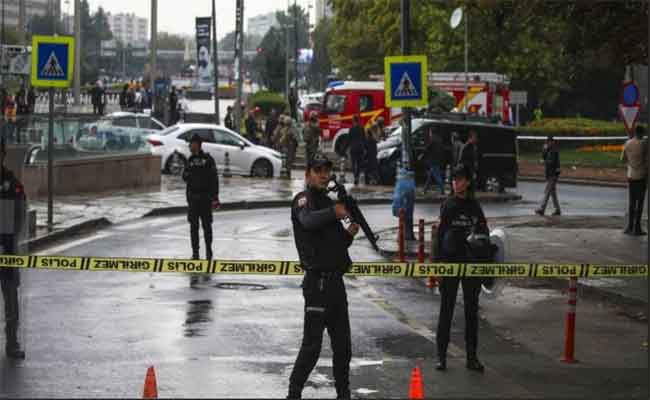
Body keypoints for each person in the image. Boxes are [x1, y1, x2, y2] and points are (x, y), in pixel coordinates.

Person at [287, 152, 359, 399]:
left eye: (326, 171)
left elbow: (337, 245)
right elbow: (307, 222)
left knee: (343, 347)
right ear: (308, 174)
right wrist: (335, 213)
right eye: (318, 171)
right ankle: (293, 393)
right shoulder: (302, 200)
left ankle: (344, 394)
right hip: (316, 285)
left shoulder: (330, 203)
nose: (323, 175)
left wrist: (349, 233)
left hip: (336, 285)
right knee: (312, 348)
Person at [435, 165, 492, 373]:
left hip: (471, 265)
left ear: (467, 182)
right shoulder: (448, 205)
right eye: (454, 180)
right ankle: (441, 357)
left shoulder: (475, 206)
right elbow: (439, 236)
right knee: (446, 311)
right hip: (450, 264)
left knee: (471, 312)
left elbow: (485, 233)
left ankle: (472, 357)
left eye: (460, 179)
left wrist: (480, 245)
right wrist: (437, 265)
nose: (456, 183)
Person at [0, 142, 26, 359]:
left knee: (10, 297)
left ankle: (12, 341)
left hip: (7, 248)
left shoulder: (12, 183)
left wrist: (14, 240)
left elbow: (21, 214)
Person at [182, 134, 220, 278]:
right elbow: (184, 176)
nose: (189, 146)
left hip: (205, 199)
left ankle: (209, 252)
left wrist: (215, 197)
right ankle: (195, 253)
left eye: (191, 144)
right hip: (193, 200)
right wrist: (187, 173)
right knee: (193, 227)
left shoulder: (208, 160)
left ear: (197, 144)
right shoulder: (190, 160)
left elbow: (214, 179)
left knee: (207, 227)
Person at [621, 126, 648, 235]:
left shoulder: (627, 143)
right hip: (641, 176)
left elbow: (622, 159)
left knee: (632, 202)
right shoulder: (644, 144)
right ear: (642, 133)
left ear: (635, 132)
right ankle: (637, 227)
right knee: (640, 203)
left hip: (631, 175)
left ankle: (629, 226)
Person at [535, 136, 562, 217]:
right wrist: (544, 150)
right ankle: (557, 210)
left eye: (548, 142)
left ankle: (542, 209)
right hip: (549, 173)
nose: (547, 144)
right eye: (547, 142)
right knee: (553, 193)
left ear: (552, 142)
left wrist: (544, 162)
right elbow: (543, 157)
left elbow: (551, 162)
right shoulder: (548, 150)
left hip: (553, 174)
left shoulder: (554, 150)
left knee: (547, 192)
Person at [422, 129, 446, 195]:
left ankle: (442, 190)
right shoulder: (439, 140)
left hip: (433, 161)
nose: (429, 133)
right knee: (430, 176)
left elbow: (426, 149)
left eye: (430, 132)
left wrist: (422, 155)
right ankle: (425, 190)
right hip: (437, 160)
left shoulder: (432, 140)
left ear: (432, 133)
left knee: (437, 176)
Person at [459, 130, 479, 198]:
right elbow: (462, 160)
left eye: (476, 137)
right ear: (470, 138)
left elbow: (473, 159)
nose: (475, 139)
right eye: (474, 137)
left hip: (470, 171)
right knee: (468, 189)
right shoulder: (466, 147)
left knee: (471, 189)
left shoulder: (473, 146)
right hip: (467, 171)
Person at [348, 115, 366, 185]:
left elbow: (348, 139)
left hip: (353, 149)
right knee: (358, 164)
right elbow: (364, 138)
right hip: (360, 148)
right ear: (358, 121)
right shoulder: (361, 128)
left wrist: (345, 148)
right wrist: (364, 147)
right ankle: (357, 176)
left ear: (353, 121)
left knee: (353, 163)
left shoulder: (351, 129)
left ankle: (355, 176)